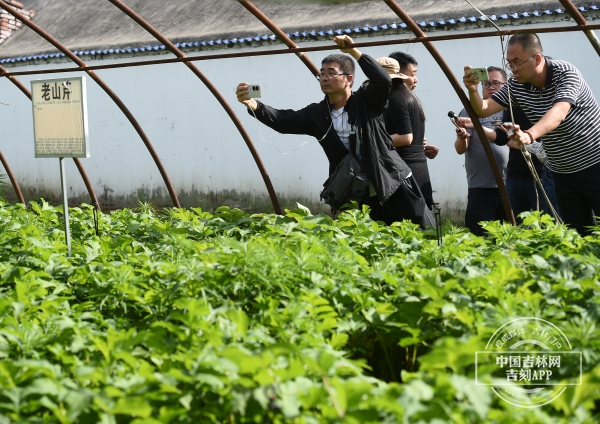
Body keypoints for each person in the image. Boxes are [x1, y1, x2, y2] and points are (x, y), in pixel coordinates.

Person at [236, 35, 431, 226]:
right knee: (363, 237)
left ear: (349, 79)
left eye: (331, 73)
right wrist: (254, 105)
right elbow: (283, 121)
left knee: (417, 231)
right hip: (354, 188)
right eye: (322, 74)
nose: (324, 78)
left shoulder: (367, 101)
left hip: (389, 181)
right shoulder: (318, 113)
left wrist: (353, 52)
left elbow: (383, 80)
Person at [464, 33, 600, 235]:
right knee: (578, 234)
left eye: (517, 62)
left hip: (594, 163)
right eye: (510, 63)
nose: (513, 69)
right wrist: (473, 90)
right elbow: (483, 109)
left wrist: (529, 135)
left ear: (537, 59)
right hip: (561, 172)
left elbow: (559, 112)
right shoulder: (516, 85)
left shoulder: (565, 72)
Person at [459, 105, 561, 222]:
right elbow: (503, 137)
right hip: (513, 176)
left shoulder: (548, 105)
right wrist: (475, 125)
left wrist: (527, 142)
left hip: (541, 175)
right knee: (516, 225)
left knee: (549, 223)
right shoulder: (511, 106)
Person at [453, 66, 509, 236]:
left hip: (510, 185)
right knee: (480, 236)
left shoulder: (511, 109)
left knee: (509, 236)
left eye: (496, 83)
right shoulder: (470, 110)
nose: (490, 87)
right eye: (486, 84)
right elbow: (460, 149)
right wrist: (462, 138)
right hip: (481, 186)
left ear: (506, 85)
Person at [379, 54, 435, 209]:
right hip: (415, 170)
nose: (415, 80)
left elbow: (405, 137)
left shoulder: (396, 98)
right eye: (413, 75)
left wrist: (374, 140)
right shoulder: (407, 97)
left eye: (413, 74)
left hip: (404, 173)